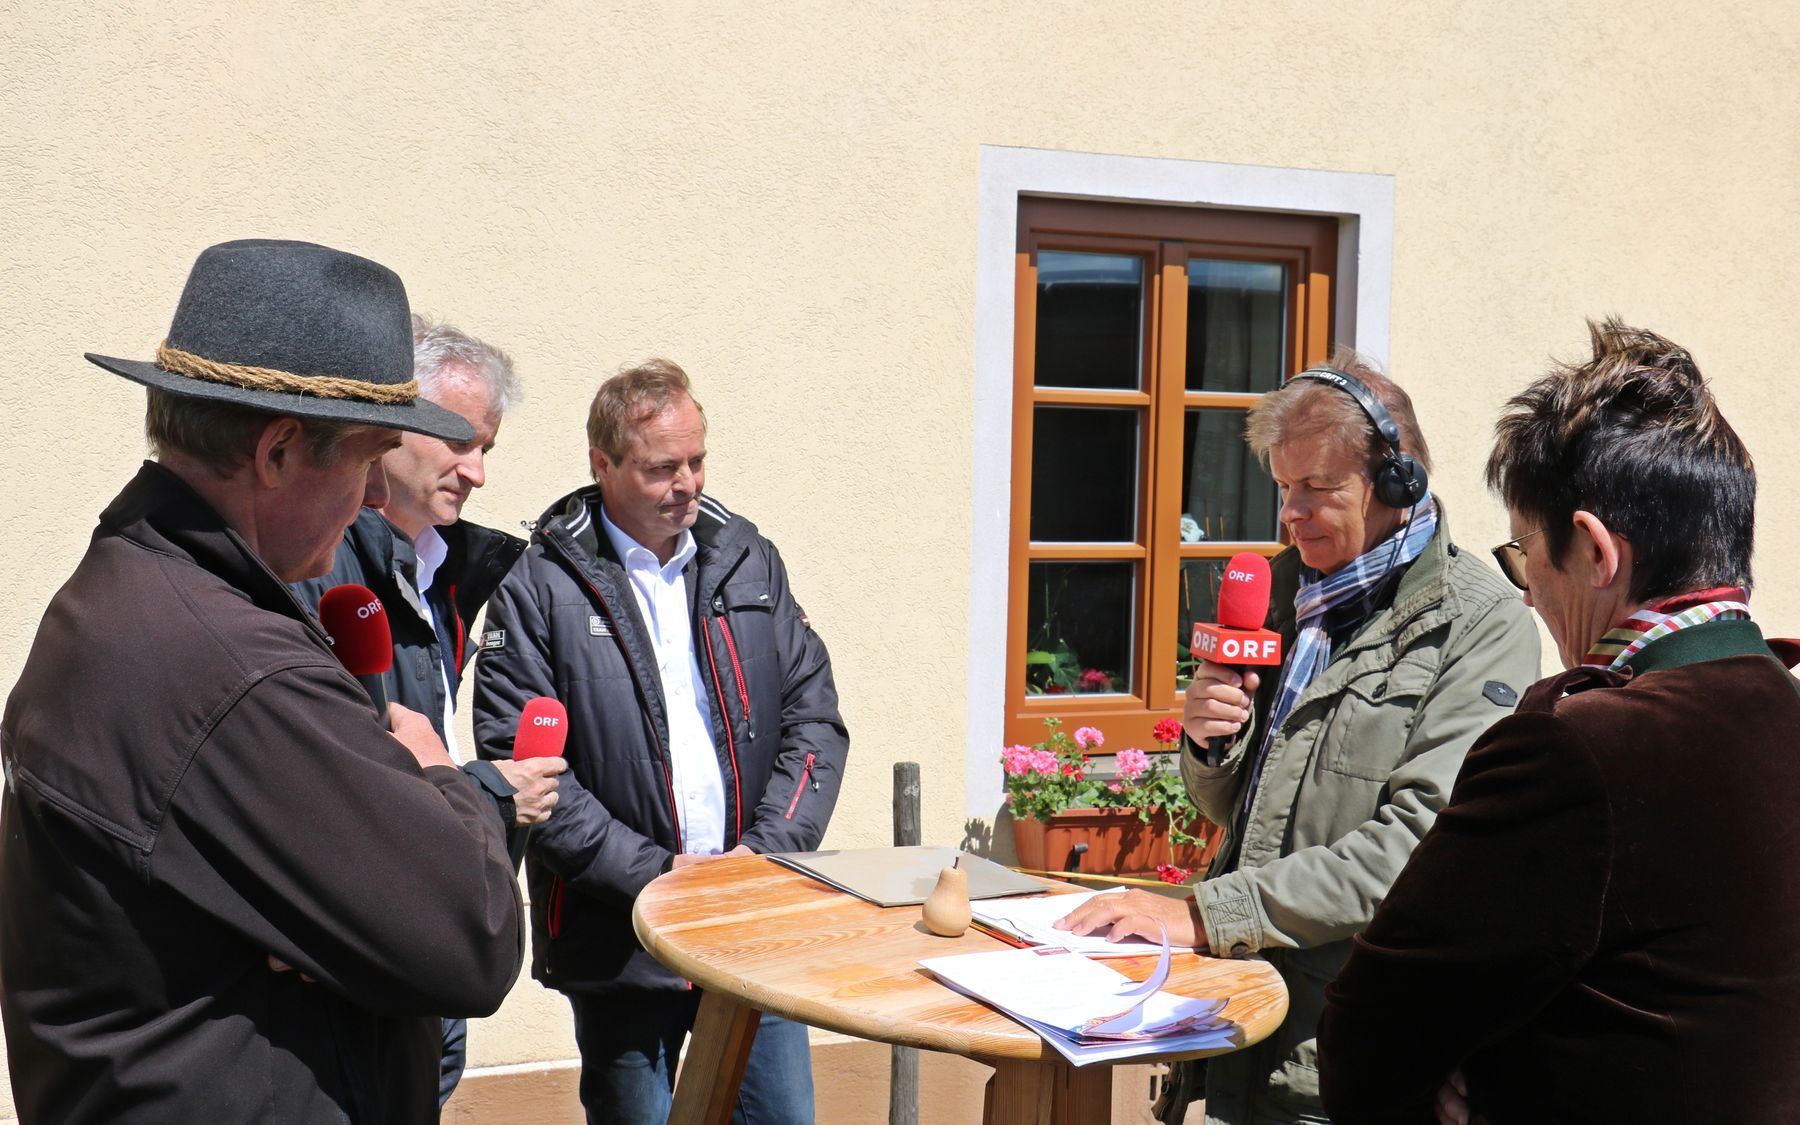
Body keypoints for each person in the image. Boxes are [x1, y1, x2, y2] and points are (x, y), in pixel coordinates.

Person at [0, 239, 524, 1123]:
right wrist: (439, 779)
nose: (369, 500)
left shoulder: (133, 590)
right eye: (366, 459)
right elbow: (472, 936)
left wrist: (323, 929)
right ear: (279, 450)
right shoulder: (231, 670)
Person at [1317, 321, 1800, 1123]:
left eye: (1523, 555)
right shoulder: (1780, 705)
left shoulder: (1583, 748)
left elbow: (1368, 1039)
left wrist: (1478, 1072)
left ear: (1595, 552)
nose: (1527, 592)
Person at [1057, 349, 1540, 1124]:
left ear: (1398, 482)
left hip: (1343, 1055)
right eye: (1284, 488)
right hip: (1233, 1024)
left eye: (1317, 488)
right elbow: (1230, 810)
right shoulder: (1283, 591)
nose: (1291, 512)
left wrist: (1209, 915)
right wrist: (1213, 744)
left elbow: (1420, 848)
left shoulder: (1480, 626)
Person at [473, 358, 848, 1125]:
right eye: (661, 467)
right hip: (623, 944)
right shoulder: (540, 585)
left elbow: (816, 719)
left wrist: (766, 854)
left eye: (697, 459)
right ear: (602, 464)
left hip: (752, 924)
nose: (688, 483)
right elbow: (535, 776)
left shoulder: (748, 557)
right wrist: (662, 877)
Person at [292, 313, 565, 1106]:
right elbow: (353, 782)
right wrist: (491, 792)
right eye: (460, 442)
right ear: (393, 425)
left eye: (488, 449)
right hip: (366, 962)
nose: (477, 471)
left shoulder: (445, 566)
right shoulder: (326, 565)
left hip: (427, 944)